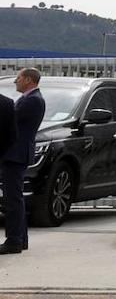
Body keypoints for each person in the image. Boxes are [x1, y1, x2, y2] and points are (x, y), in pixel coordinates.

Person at [2, 68, 47, 254]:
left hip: (15, 154)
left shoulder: (32, 100)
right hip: (16, 154)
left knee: (13, 199)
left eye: (18, 78)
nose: (15, 81)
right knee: (15, 197)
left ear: (28, 80)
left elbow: (8, 119)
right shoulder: (30, 99)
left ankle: (13, 240)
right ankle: (21, 239)